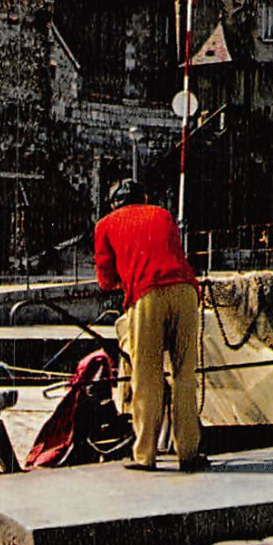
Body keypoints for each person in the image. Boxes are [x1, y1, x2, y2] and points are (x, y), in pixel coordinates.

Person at [93, 180, 208, 472]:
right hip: (185, 291)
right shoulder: (163, 214)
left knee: (147, 376)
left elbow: (105, 277)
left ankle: (145, 454)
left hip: (146, 295)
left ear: (113, 204)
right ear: (144, 198)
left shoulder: (105, 224)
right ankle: (189, 453)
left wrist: (122, 282)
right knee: (184, 374)